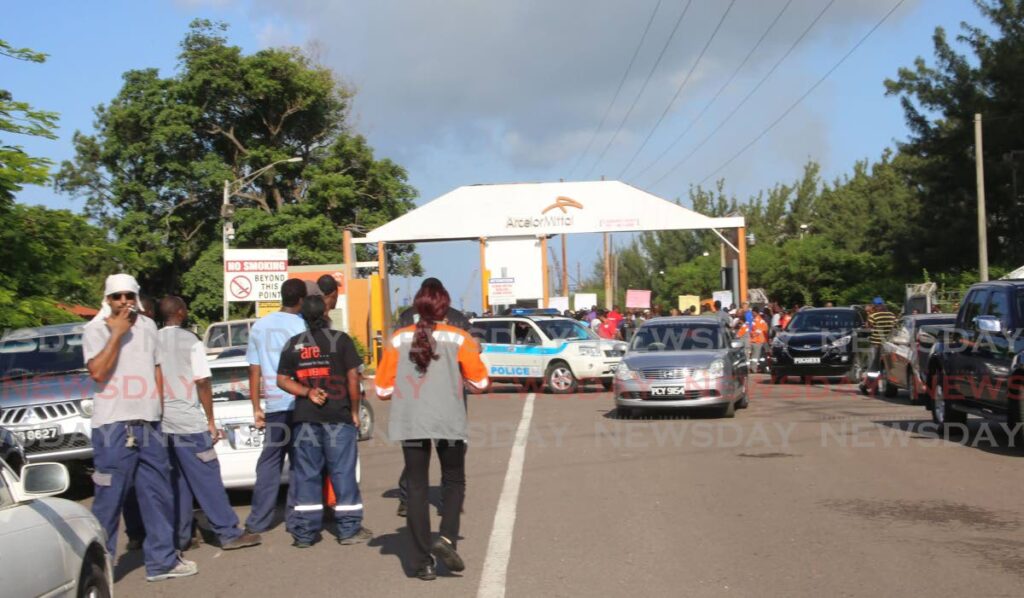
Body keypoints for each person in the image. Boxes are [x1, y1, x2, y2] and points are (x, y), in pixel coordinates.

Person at [83, 274, 195, 582]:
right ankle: (98, 571)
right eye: (116, 296)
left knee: (158, 494)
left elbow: (156, 368)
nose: (123, 302)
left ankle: (162, 562)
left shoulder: (148, 327)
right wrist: (116, 333)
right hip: (112, 426)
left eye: (128, 296)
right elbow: (97, 372)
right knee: (109, 501)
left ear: (136, 296)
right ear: (107, 298)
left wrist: (158, 409)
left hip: (148, 423)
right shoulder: (94, 329)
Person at [375, 280, 489, 580]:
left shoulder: (398, 339)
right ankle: (447, 538)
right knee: (453, 481)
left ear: (417, 305)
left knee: (416, 488)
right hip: (449, 420)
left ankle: (421, 562)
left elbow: (382, 389)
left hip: (411, 421)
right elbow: (481, 383)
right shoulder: (460, 337)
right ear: (444, 306)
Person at [157, 296, 262, 552]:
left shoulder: (152, 340)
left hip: (162, 423)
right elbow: (202, 381)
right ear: (180, 313)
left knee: (178, 481)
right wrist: (211, 420)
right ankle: (227, 532)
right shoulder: (190, 341)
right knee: (207, 478)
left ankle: (182, 536)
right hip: (189, 422)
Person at [277, 295, 371, 548]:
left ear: (302, 317)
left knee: (307, 475)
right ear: (327, 313)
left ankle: (305, 534)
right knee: (342, 473)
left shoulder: (293, 345)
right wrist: (354, 410)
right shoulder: (341, 341)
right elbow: (353, 378)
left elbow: (282, 380)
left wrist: (307, 392)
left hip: (305, 420)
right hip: (338, 417)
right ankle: (348, 530)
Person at [394, 277, 472, 517]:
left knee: (416, 451)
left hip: (412, 393)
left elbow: (395, 352)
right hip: (449, 393)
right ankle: (452, 501)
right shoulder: (457, 318)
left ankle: (408, 499)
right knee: (453, 454)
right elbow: (470, 351)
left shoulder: (407, 317)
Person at [244, 278, 308, 534]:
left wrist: (256, 407)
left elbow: (253, 370)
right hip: (301, 400)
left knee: (269, 462)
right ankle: (295, 520)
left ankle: (258, 520)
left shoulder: (260, 326)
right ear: (302, 299)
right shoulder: (304, 325)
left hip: (274, 404)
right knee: (300, 461)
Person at [866, 297, 897, 387]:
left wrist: (869, 313)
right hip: (888, 344)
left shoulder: (873, 316)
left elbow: (869, 326)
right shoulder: (891, 315)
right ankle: (890, 383)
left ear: (874, 306)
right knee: (888, 365)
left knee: (873, 365)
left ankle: (872, 385)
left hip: (876, 344)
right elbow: (895, 327)